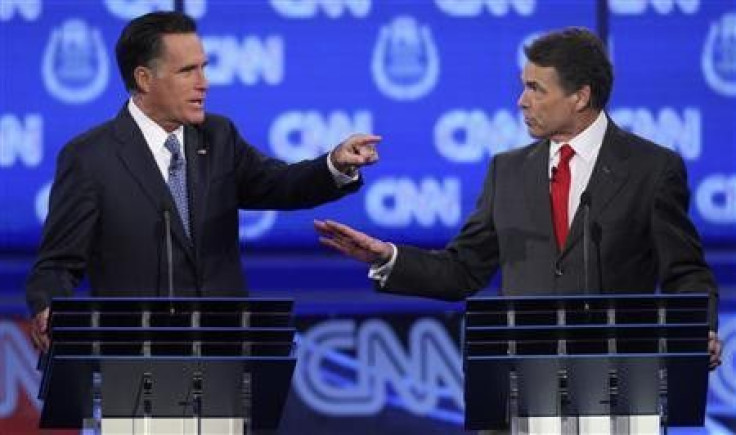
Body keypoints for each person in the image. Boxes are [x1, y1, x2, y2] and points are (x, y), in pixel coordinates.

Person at [315, 27, 722, 369]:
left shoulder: (651, 168)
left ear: (580, 96)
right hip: (523, 386)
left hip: (621, 384)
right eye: (523, 86)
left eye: (535, 88)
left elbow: (685, 272)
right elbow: (463, 272)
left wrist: (696, 331)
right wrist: (386, 257)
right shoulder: (507, 172)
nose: (521, 101)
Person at [26, 11, 381, 351]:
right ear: (144, 79)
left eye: (204, 68)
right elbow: (57, 264)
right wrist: (47, 308)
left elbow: (280, 184)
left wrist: (334, 164)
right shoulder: (90, 157)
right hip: (134, 362)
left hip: (223, 354)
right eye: (187, 71)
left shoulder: (218, 137)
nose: (203, 83)